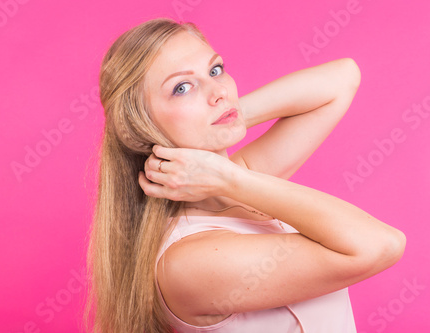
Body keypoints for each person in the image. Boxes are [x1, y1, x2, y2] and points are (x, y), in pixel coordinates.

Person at [84, 18, 406, 333]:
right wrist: (230, 177)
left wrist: (229, 116)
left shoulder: (232, 185)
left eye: (215, 70)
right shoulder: (184, 262)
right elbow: (382, 245)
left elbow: (342, 78)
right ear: (140, 129)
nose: (218, 91)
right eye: (182, 88)